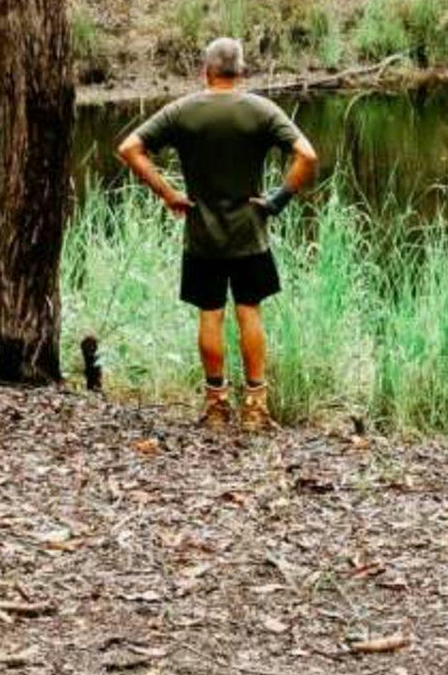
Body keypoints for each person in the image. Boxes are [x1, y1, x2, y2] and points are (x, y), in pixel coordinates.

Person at [117, 36, 318, 427]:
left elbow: (129, 148)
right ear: (241, 71)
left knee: (210, 315)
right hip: (250, 234)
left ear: (205, 70)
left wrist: (168, 194)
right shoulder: (261, 110)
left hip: (202, 236)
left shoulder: (183, 111)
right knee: (249, 312)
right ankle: (256, 408)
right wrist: (278, 200)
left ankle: (215, 406)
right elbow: (307, 156)